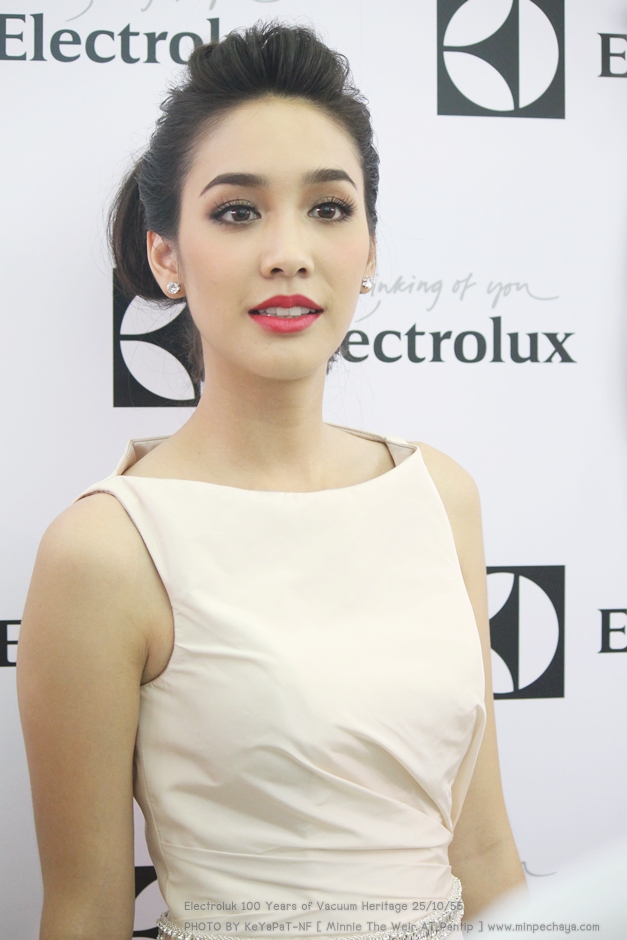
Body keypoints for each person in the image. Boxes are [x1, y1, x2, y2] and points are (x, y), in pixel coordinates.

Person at [17, 21, 526, 940]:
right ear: (166, 255)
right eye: (237, 212)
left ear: (369, 247)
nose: (289, 250)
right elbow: (86, 910)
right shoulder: (104, 551)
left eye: (328, 208)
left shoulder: (438, 494)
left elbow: (485, 853)